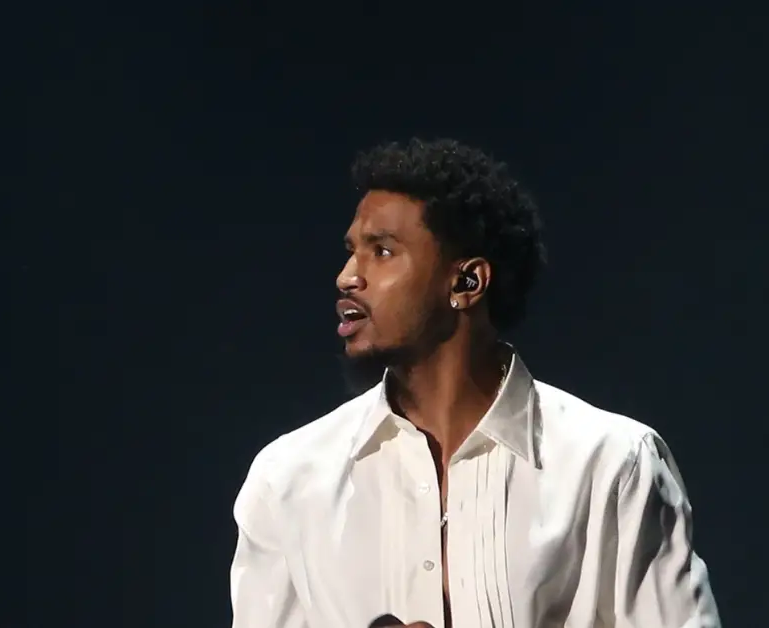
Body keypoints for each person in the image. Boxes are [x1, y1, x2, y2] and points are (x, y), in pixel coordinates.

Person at [229, 138, 721, 628]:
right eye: (351, 252)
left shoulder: (612, 465)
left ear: (467, 283)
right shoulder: (287, 481)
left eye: (382, 251)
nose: (346, 277)